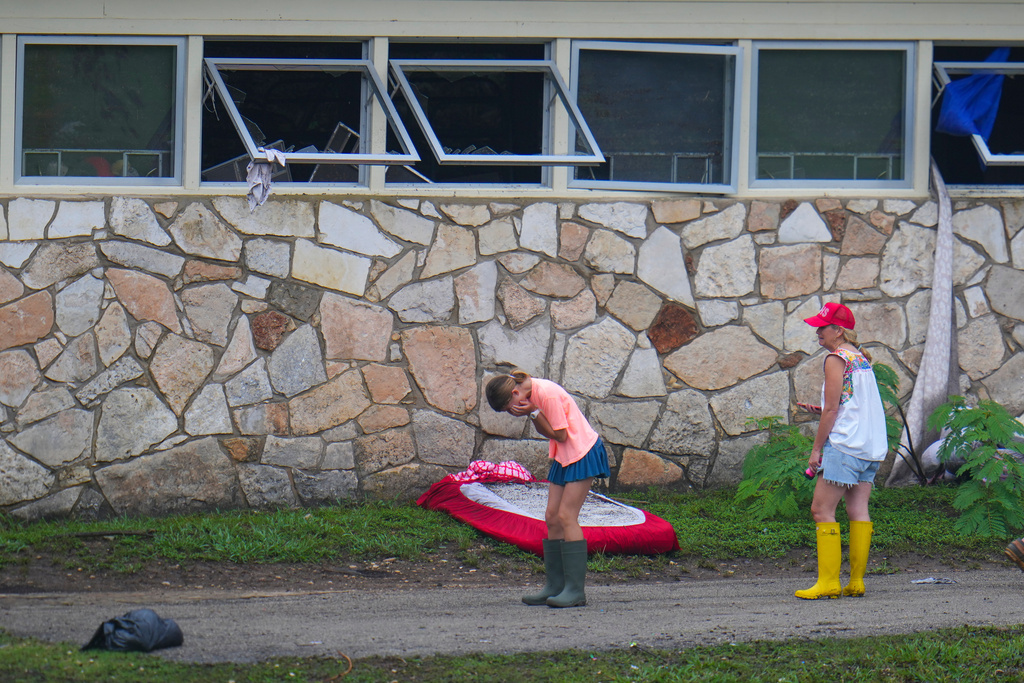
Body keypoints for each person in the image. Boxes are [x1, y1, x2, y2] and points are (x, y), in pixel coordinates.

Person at [485, 369, 611, 608]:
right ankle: (555, 586)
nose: (513, 412)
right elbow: (549, 433)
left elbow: (561, 435)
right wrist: (533, 413)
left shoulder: (546, 395)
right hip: (564, 456)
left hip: (581, 453)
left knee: (566, 516)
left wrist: (533, 413)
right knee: (552, 517)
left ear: (514, 393)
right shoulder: (529, 394)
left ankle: (575, 591)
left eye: (510, 408)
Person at [796, 302, 888, 600]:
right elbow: (852, 402)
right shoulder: (860, 358)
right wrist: (822, 409)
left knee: (821, 510)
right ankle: (856, 582)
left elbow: (833, 410)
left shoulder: (835, 359)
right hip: (869, 448)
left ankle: (828, 583)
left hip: (844, 447)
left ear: (839, 330)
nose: (817, 332)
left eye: (822, 327)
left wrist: (816, 449)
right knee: (857, 510)